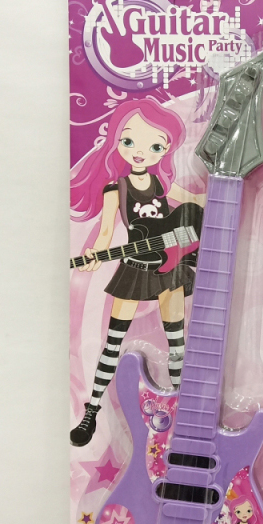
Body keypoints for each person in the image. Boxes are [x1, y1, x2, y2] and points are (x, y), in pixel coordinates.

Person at [69, 98, 204, 446]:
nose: (141, 152)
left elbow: (193, 205)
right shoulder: (116, 189)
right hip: (135, 267)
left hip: (170, 269)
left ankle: (184, 413)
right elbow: (105, 233)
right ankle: (91, 411)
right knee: (113, 343)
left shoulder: (161, 183)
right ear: (117, 140)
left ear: (166, 149)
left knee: (177, 342)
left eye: (155, 146)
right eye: (129, 141)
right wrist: (94, 255)